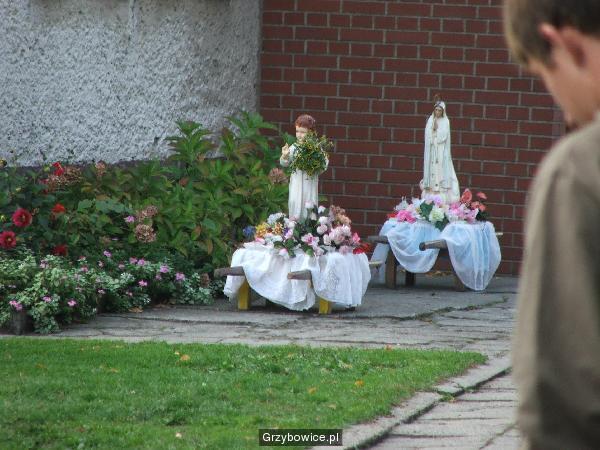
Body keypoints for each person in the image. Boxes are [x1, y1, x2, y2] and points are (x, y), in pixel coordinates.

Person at [504, 0, 600, 448]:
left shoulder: (579, 171)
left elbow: (560, 401)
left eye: (546, 76)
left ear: (565, 46)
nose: (565, 113)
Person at [280, 114, 327, 220]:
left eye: (303, 132)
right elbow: (284, 163)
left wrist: (314, 165)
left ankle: (308, 227)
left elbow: (323, 164)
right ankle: (294, 225)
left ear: (311, 133)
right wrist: (285, 155)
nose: (299, 135)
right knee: (295, 202)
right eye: (297, 131)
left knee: (308, 205)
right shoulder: (294, 147)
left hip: (309, 183)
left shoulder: (315, 148)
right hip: (296, 183)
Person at [420, 95, 460, 204]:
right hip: (432, 150)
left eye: (439, 110)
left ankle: (440, 190)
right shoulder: (430, 120)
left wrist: (437, 130)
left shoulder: (445, 121)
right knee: (432, 168)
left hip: (441, 151)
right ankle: (431, 189)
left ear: (442, 111)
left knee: (440, 169)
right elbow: (427, 135)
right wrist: (432, 132)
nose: (437, 112)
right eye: (436, 110)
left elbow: (443, 137)